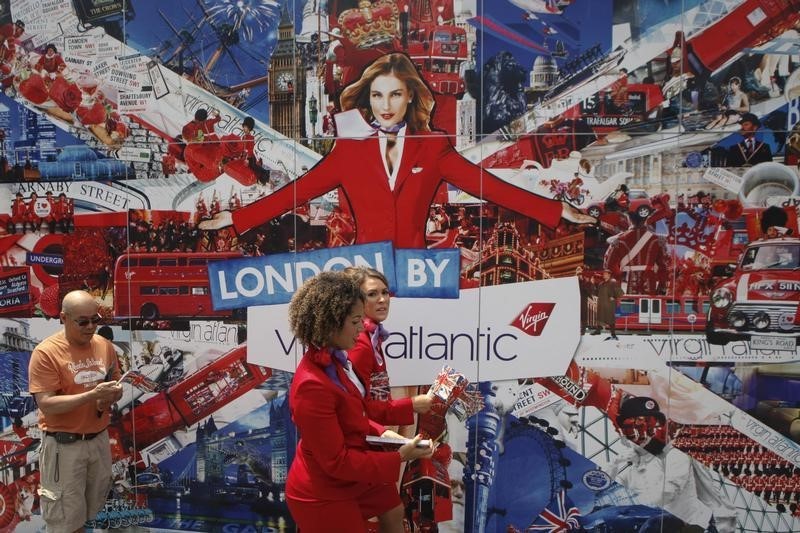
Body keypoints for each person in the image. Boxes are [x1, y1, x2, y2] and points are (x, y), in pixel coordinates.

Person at [199, 53, 594, 246]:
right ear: (367, 100)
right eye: (377, 95)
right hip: (363, 278)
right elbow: (297, 191)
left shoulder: (433, 148)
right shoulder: (349, 151)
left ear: (410, 98)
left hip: (418, 276)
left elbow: (487, 186)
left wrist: (556, 210)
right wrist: (237, 219)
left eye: (395, 94)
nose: (385, 105)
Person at [286, 271, 433, 532]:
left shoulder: (335, 362)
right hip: (324, 490)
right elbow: (336, 462)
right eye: (355, 321)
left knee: (393, 508)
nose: (361, 328)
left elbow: (358, 416)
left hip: (350, 475)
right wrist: (399, 455)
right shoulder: (312, 385)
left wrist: (389, 436)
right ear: (331, 324)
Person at [28, 290, 123, 533]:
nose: (91, 326)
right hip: (64, 447)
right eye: (83, 321)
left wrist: (110, 396)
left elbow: (115, 386)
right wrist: (92, 396)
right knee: (64, 523)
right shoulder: (46, 353)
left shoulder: (105, 346)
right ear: (63, 318)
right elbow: (46, 404)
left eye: (95, 319)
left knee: (93, 514)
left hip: (99, 442)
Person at [592, 269, 622, 340]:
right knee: (600, 317)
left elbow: (619, 292)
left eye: (605, 273)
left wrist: (614, 297)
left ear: (609, 274)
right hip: (601, 304)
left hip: (609, 305)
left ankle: (613, 334)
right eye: (603, 273)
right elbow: (596, 293)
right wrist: (592, 284)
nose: (604, 274)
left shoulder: (613, 282)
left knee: (610, 319)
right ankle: (598, 330)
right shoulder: (601, 284)